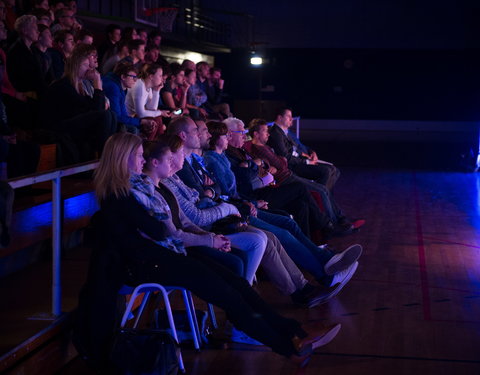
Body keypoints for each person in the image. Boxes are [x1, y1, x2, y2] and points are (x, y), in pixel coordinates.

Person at [73, 131, 342, 370]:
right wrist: (159, 225)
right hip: (144, 265)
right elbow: (158, 231)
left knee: (236, 283)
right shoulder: (120, 194)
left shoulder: (140, 188)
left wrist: (165, 226)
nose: (143, 160)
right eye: (139, 155)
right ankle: (289, 346)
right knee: (227, 293)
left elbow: (159, 229)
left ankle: (294, 332)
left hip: (164, 255)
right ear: (123, 158)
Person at [41, 44, 117, 164]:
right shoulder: (64, 85)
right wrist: (97, 82)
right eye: (85, 65)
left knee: (111, 115)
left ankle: (108, 157)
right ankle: (105, 161)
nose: (89, 69)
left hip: (72, 125)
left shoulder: (79, 88)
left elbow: (98, 108)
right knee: (105, 116)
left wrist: (97, 83)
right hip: (58, 127)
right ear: (76, 66)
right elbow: (97, 110)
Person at [267, 108, 340, 191]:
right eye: (288, 116)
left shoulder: (287, 132)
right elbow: (286, 156)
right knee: (327, 171)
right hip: (293, 166)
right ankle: (318, 197)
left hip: (300, 160)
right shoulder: (276, 133)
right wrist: (306, 161)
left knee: (335, 171)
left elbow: (299, 147)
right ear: (280, 118)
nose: (291, 119)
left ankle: (324, 198)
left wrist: (311, 152)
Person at [103, 62, 156, 136]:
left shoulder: (122, 88)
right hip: (106, 124)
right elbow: (117, 117)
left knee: (136, 128)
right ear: (123, 77)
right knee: (133, 130)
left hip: (112, 121)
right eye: (132, 77)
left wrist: (141, 123)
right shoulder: (113, 87)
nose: (135, 80)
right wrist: (141, 122)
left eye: (136, 77)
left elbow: (123, 114)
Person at [125, 63, 169, 140]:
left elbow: (152, 108)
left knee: (157, 118)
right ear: (151, 76)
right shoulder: (139, 86)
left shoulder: (148, 87)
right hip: (126, 117)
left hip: (134, 116)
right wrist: (160, 112)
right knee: (156, 119)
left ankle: (154, 144)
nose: (162, 79)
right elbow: (141, 113)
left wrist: (156, 91)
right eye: (160, 75)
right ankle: (150, 145)